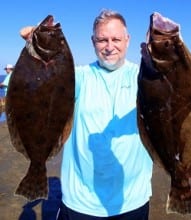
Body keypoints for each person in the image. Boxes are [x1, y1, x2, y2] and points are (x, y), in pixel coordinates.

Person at [20, 9, 153, 220]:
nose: (109, 47)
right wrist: (36, 44)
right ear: (93, 41)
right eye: (102, 40)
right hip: (80, 202)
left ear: (127, 40)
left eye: (116, 39)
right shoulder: (78, 77)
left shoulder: (145, 78)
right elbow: (43, 84)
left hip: (132, 200)